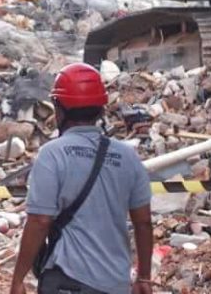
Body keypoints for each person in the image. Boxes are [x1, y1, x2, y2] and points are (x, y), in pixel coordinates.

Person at [10, 63, 154, 294]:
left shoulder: (52, 154)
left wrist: (18, 279)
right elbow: (143, 222)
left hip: (68, 280)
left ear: (59, 109)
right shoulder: (128, 157)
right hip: (115, 284)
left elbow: (39, 222)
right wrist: (144, 278)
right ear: (100, 110)